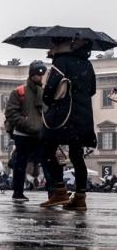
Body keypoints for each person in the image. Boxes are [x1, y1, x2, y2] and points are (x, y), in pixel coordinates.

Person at [39, 37, 97, 210]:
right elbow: (92, 90)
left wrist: (50, 99)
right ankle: (80, 197)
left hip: (63, 115)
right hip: (83, 115)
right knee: (77, 156)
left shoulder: (61, 61)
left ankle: (59, 190)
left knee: (47, 149)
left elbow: (49, 90)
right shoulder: (88, 64)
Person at [4, 60, 47, 203]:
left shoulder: (45, 92)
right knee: (20, 163)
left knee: (46, 162)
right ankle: (17, 192)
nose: (39, 76)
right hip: (23, 134)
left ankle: (52, 192)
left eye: (41, 74)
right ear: (31, 74)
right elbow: (11, 113)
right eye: (37, 73)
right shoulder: (19, 92)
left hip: (40, 133)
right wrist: (27, 124)